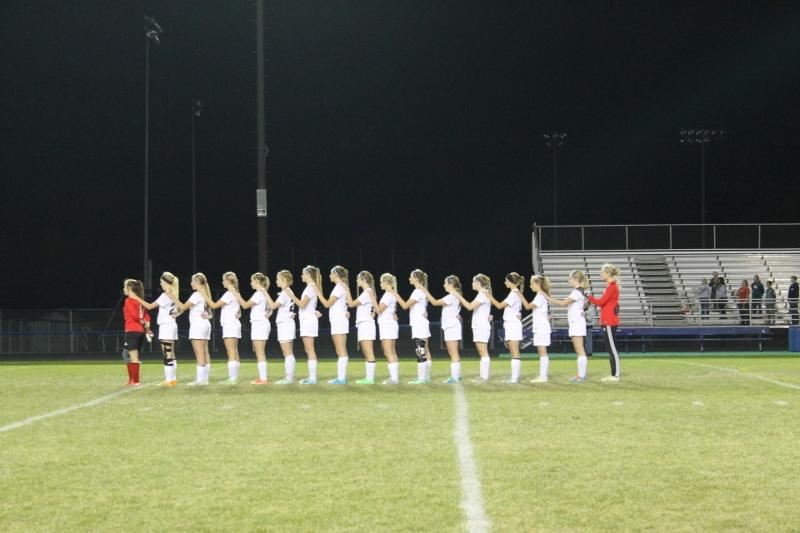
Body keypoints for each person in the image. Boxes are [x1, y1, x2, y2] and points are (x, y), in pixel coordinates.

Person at [127, 272, 181, 386]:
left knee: (167, 353)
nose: (160, 284)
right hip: (171, 324)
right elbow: (180, 308)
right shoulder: (173, 293)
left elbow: (150, 306)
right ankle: (172, 379)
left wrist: (137, 298)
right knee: (171, 353)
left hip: (166, 326)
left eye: (162, 282)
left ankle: (169, 380)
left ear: (167, 283)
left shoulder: (166, 294)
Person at [169, 273, 213, 386]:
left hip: (198, 325)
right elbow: (210, 314)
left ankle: (200, 380)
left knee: (199, 353)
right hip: (205, 324)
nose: (191, 283)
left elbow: (183, 307)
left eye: (193, 281)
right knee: (205, 352)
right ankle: (205, 379)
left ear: (198, 282)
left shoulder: (197, 294)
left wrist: (173, 297)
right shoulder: (205, 293)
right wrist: (177, 314)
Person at [449, 274, 493, 383]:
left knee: (483, 351)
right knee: (481, 351)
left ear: (478, 283)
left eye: (473, 282)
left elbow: (469, 307)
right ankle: (483, 376)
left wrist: (458, 296)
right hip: (480, 326)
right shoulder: (483, 294)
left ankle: (484, 377)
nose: (472, 284)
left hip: (481, 326)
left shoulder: (482, 294)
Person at [547, 270, 589, 383]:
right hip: (577, 322)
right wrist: (583, 310)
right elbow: (589, 302)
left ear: (576, 279)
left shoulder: (576, 292)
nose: (569, 281)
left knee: (579, 350)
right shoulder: (582, 291)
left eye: (570, 279)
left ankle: (581, 375)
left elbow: (562, 303)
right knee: (580, 350)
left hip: (576, 323)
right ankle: (581, 374)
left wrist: (548, 298)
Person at [393, 269, 432, 385]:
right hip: (422, 323)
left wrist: (395, 294)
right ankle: (426, 377)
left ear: (416, 278)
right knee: (426, 350)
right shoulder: (422, 291)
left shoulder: (417, 292)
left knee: (421, 350)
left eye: (411, 276)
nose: (409, 278)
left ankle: (421, 378)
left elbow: (405, 306)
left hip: (419, 324)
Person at [314, 265, 351, 385]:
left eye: (331, 274)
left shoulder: (339, 287)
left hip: (339, 321)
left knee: (341, 350)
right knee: (340, 350)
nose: (330, 276)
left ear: (336, 274)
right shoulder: (341, 286)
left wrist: (317, 292)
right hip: (338, 320)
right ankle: (341, 378)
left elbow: (327, 304)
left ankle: (342, 378)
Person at [234, 273, 274, 384]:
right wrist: (267, 314)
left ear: (257, 281)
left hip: (259, 324)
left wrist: (237, 295)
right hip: (261, 323)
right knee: (259, 352)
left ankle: (263, 379)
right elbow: (271, 307)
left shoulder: (258, 293)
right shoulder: (262, 293)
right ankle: (262, 378)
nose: (251, 283)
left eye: (252, 281)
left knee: (260, 352)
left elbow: (245, 305)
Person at [285, 266, 323, 385]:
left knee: (309, 349)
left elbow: (302, 305)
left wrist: (291, 295)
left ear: (308, 275)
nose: (301, 275)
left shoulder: (310, 287)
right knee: (308, 349)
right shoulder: (311, 287)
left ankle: (312, 378)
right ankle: (311, 377)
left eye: (303, 273)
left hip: (308, 321)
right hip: (307, 319)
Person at [423, 275, 464, 384]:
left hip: (451, 327)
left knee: (453, 352)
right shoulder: (455, 295)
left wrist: (425, 291)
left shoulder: (451, 296)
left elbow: (435, 302)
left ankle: (455, 378)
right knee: (454, 352)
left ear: (451, 284)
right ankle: (457, 376)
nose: (444, 285)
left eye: (445, 283)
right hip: (452, 326)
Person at [203, 272, 242, 385]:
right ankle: (234, 377)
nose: (222, 282)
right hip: (234, 323)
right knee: (234, 350)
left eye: (224, 280)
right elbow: (238, 312)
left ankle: (232, 378)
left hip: (230, 324)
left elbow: (214, 306)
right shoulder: (235, 292)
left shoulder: (229, 294)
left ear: (229, 281)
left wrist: (205, 295)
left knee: (231, 351)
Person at [486, 272, 525, 384]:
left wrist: (489, 296)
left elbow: (499, 306)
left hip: (513, 325)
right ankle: (514, 377)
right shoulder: (514, 293)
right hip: (512, 324)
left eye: (506, 281)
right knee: (513, 350)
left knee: (514, 351)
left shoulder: (514, 294)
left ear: (511, 282)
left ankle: (514, 379)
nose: (505, 282)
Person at [587, 263, 621, 382]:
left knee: (612, 348)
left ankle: (615, 374)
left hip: (609, 321)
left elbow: (601, 302)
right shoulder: (610, 286)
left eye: (602, 272)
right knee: (610, 348)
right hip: (607, 320)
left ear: (608, 273)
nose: (600, 274)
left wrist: (588, 296)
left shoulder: (612, 286)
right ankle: (613, 374)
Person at [346, 271, 380, 384]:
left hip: (366, 324)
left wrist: (346, 289)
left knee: (368, 350)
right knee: (366, 351)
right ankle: (368, 377)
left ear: (363, 280)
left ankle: (370, 378)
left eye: (358, 279)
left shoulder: (367, 292)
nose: (357, 281)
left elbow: (351, 304)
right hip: (364, 324)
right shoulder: (368, 292)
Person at [121, 279, 152, 386]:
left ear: (129, 289)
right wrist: (146, 325)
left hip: (132, 330)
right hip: (139, 332)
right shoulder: (140, 300)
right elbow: (147, 315)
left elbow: (135, 316)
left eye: (125, 287)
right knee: (126, 354)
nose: (123, 289)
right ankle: (132, 380)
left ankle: (135, 381)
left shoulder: (129, 300)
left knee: (132, 356)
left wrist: (143, 322)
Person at [522, 275, 552, 383]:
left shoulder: (540, 296)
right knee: (542, 352)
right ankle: (542, 375)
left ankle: (543, 376)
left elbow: (528, 306)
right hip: (541, 327)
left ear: (537, 284)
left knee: (542, 352)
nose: (530, 286)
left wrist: (520, 295)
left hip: (541, 327)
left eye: (532, 284)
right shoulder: (540, 295)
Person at [272, 270, 298, 384]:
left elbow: (273, 306)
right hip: (287, 323)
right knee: (287, 352)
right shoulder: (287, 291)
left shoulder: (285, 292)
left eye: (278, 279)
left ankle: (289, 378)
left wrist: (264, 293)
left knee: (287, 352)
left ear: (283, 280)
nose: (276, 281)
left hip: (285, 323)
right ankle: (289, 377)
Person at [376, 273, 401, 384]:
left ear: (386, 282)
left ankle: (394, 378)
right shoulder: (391, 294)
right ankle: (395, 377)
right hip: (389, 324)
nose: (380, 284)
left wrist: (372, 298)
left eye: (381, 282)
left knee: (388, 351)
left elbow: (379, 309)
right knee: (391, 351)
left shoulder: (388, 295)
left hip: (387, 325)